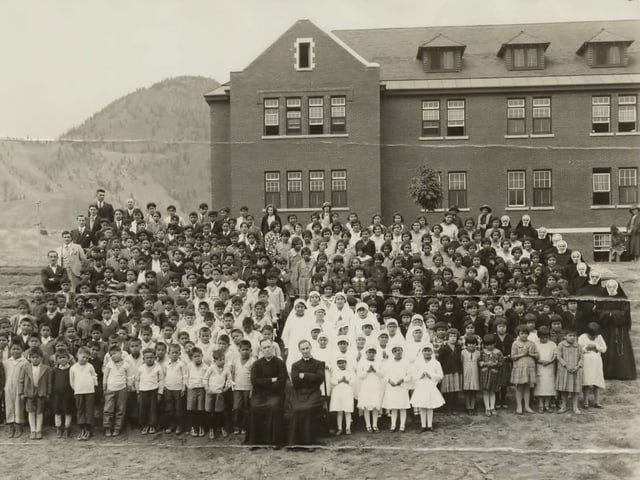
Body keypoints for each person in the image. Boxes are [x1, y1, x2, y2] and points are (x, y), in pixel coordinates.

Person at [246, 339, 287, 447]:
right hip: (260, 395)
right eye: (265, 348)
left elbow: (281, 382)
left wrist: (264, 383)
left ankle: (274, 441)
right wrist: (271, 380)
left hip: (275, 394)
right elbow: (255, 381)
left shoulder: (280, 363)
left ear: (273, 348)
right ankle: (255, 441)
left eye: (269, 347)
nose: (267, 350)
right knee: (254, 407)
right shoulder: (256, 364)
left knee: (274, 406)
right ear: (261, 350)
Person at [596, 280, 637, 380]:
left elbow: (625, 313)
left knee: (619, 349)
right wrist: (610, 314)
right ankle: (606, 373)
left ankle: (621, 373)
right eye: (609, 287)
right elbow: (597, 311)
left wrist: (611, 314)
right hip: (605, 328)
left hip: (619, 328)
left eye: (613, 286)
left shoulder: (623, 299)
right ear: (606, 288)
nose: (611, 289)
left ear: (617, 287)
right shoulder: (601, 299)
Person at [288, 339, 325, 446]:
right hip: (299, 393)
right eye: (303, 349)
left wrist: (303, 375)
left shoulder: (318, 364)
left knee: (308, 409)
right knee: (295, 409)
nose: (305, 351)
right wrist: (311, 376)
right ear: (299, 350)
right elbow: (295, 381)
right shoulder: (295, 365)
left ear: (310, 348)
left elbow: (320, 378)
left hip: (314, 392)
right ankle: (295, 441)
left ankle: (310, 441)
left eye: (307, 348)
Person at [410, 343, 445, 432]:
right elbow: (413, 375)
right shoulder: (418, 362)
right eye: (425, 350)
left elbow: (441, 376)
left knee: (430, 406)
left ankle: (429, 425)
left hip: (430, 386)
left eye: (429, 350)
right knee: (422, 406)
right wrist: (420, 376)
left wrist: (431, 376)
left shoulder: (436, 363)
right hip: (421, 386)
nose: (427, 352)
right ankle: (423, 425)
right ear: (422, 352)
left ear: (432, 352)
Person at [19, 347, 51, 440]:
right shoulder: (25, 367)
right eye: (33, 357)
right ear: (30, 358)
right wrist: (21, 392)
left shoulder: (46, 368)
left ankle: (38, 430)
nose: (35, 359)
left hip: (41, 392)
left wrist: (48, 392)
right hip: (29, 392)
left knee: (39, 411)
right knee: (31, 411)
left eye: (37, 357)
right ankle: (32, 430)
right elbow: (21, 380)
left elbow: (49, 382)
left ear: (41, 358)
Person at [102, 345, 131, 437]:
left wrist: (129, 386)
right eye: (111, 355)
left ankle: (117, 428)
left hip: (122, 389)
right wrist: (104, 386)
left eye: (114, 353)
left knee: (120, 409)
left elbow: (129, 377)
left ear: (121, 353)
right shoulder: (109, 364)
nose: (113, 356)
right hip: (110, 389)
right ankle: (107, 427)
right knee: (108, 409)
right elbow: (105, 376)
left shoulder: (126, 365)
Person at [69, 346, 98, 440]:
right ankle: (82, 429)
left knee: (89, 410)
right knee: (80, 410)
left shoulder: (90, 366)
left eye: (87, 357)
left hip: (89, 391)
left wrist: (92, 386)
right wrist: (76, 389)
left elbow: (94, 376)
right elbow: (72, 381)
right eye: (83, 357)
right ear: (77, 355)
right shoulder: (73, 368)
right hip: (78, 392)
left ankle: (88, 429)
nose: (85, 359)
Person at [381, 345, 411, 432]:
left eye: (399, 350)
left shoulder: (406, 362)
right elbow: (385, 374)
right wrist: (390, 381)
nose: (398, 352)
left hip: (402, 387)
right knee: (393, 407)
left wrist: (402, 380)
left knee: (402, 407)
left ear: (402, 351)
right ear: (393, 353)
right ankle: (393, 425)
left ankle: (402, 426)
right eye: (395, 351)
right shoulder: (389, 362)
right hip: (392, 387)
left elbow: (409, 375)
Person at [510, 326, 538, 415]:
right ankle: (519, 406)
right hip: (519, 367)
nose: (524, 335)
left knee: (527, 387)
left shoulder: (532, 344)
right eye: (522, 333)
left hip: (529, 367)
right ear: (518, 334)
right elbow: (513, 356)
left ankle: (527, 406)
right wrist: (523, 354)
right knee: (519, 387)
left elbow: (537, 355)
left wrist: (530, 354)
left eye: (526, 333)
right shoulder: (515, 344)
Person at [579, 322, 607, 409]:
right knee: (587, 381)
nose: (593, 337)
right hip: (587, 361)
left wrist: (596, 346)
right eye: (592, 335)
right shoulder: (582, 337)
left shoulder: (599, 337)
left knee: (597, 381)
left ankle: (597, 401)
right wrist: (586, 348)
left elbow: (604, 349)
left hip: (596, 362)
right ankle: (585, 401)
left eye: (595, 335)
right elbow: (578, 349)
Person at [356, 345, 384, 432]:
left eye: (373, 352)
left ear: (375, 353)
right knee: (366, 406)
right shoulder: (361, 362)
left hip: (376, 385)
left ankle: (375, 424)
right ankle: (368, 425)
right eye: (369, 352)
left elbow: (382, 374)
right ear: (366, 353)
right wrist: (367, 371)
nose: (371, 354)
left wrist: (375, 370)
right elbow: (360, 375)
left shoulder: (379, 362)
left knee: (375, 405)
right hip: (366, 386)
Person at [555, 329, 583, 414]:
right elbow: (559, 357)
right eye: (570, 336)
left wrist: (577, 367)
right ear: (565, 336)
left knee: (575, 390)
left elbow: (581, 358)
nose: (572, 338)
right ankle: (564, 406)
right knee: (564, 389)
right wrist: (566, 365)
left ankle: (575, 407)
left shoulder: (578, 346)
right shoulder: (561, 345)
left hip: (575, 371)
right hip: (564, 370)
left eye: (574, 336)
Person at [4, 343, 28, 438]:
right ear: (10, 351)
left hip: (19, 387)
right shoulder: (6, 362)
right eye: (13, 349)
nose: (16, 351)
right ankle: (11, 426)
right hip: (8, 386)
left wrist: (23, 390)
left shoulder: (25, 362)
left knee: (19, 406)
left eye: (18, 349)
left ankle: (18, 426)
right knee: (9, 405)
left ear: (22, 350)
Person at [478, 334, 503, 417]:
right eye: (487, 345)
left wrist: (495, 364)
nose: (489, 346)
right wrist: (485, 363)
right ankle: (487, 408)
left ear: (494, 343)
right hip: (484, 374)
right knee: (485, 391)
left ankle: (492, 407)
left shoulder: (498, 352)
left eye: (491, 344)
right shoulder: (482, 352)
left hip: (494, 374)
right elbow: (479, 362)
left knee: (492, 391)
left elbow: (501, 363)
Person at [329, 356, 355, 435]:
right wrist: (339, 381)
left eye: (343, 363)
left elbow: (354, 380)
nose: (341, 365)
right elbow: (332, 381)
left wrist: (347, 381)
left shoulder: (350, 371)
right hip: (338, 393)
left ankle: (348, 428)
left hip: (347, 392)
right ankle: (340, 428)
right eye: (339, 363)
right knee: (339, 411)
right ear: (337, 364)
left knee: (347, 411)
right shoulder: (335, 372)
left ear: (346, 363)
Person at [533, 327, 557, 413]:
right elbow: (534, 355)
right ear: (539, 336)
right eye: (542, 337)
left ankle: (547, 405)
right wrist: (539, 361)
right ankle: (540, 405)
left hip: (550, 367)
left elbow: (555, 354)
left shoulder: (553, 344)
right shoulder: (535, 344)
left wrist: (550, 361)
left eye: (546, 337)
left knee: (549, 386)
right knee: (540, 386)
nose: (544, 339)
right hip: (539, 367)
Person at [461, 335, 480, 414]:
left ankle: (473, 406)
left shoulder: (478, 353)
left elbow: (479, 363)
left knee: (473, 390)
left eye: (473, 343)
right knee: (467, 390)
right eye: (469, 343)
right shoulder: (463, 352)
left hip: (475, 373)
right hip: (466, 372)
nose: (471, 345)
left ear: (476, 344)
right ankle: (467, 406)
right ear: (466, 344)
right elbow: (461, 362)